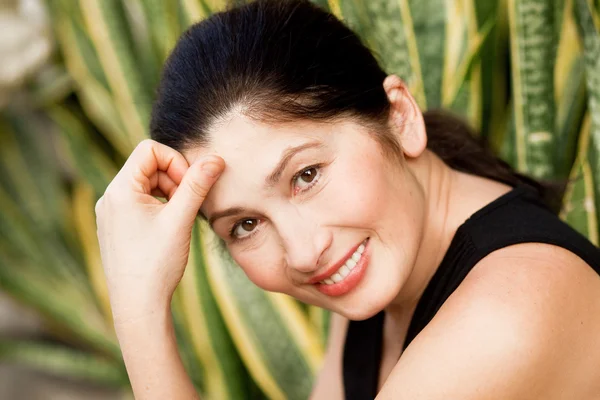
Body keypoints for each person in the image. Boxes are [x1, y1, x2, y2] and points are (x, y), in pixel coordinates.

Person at [94, 0, 600, 398]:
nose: (302, 252)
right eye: (244, 225)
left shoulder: (507, 311)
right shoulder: (379, 265)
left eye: (306, 175)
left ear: (399, 117)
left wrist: (139, 313)